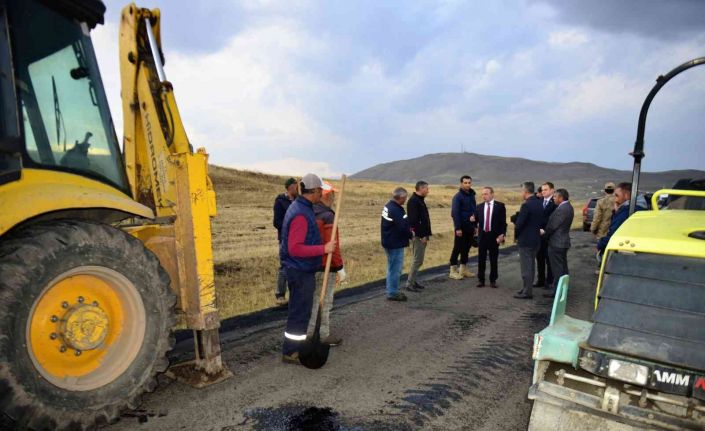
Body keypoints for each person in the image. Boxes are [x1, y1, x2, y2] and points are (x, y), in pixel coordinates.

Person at [279, 174, 336, 364]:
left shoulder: (302, 207)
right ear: (316, 191)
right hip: (300, 270)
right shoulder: (301, 214)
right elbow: (295, 248)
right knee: (299, 312)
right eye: (321, 190)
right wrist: (324, 249)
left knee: (300, 311)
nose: (322, 193)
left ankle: (295, 347)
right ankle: (291, 351)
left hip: (301, 269)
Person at [307, 181, 345, 346]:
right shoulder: (329, 216)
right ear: (327, 196)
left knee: (311, 300)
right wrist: (340, 268)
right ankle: (322, 335)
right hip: (325, 265)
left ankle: (309, 332)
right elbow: (333, 245)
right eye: (333, 195)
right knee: (324, 301)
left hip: (308, 263)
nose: (335, 198)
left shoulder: (307, 212)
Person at [541, 188, 574, 299]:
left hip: (557, 243)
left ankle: (557, 292)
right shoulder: (568, 206)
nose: (553, 198)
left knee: (558, 269)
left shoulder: (562, 209)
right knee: (563, 268)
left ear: (560, 197)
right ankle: (563, 289)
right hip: (562, 242)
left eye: (555, 197)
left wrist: (544, 234)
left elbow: (553, 226)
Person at [381, 187, 413, 301]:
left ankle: (391, 290)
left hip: (389, 241)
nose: (406, 200)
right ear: (401, 197)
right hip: (395, 243)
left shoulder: (389, 206)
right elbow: (403, 227)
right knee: (395, 268)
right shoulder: (396, 210)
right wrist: (411, 235)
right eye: (405, 198)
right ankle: (392, 292)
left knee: (391, 267)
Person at [513, 182, 543, 299]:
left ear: (525, 191)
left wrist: (516, 234)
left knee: (526, 267)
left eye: (521, 191)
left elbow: (519, 224)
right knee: (531, 266)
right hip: (536, 239)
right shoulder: (539, 203)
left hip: (526, 240)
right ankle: (526, 288)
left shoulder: (526, 205)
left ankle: (527, 292)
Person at [474, 187, 507, 288]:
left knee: (493, 259)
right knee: (481, 259)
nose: (484, 196)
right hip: (483, 236)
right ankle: (481, 280)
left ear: (492, 194)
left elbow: (503, 223)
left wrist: (502, 234)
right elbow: (475, 220)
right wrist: (472, 221)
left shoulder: (500, 206)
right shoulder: (479, 207)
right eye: (483, 194)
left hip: (494, 236)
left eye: (486, 194)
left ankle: (493, 280)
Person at [272, 178, 298, 306]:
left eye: (297, 186)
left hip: (298, 239)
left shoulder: (299, 200)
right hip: (285, 239)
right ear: (288, 188)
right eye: (294, 187)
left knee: (297, 265)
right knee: (284, 266)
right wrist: (289, 228)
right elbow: (276, 222)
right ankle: (280, 295)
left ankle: (295, 294)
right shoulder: (280, 201)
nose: (296, 189)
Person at [597, 182, 642, 254]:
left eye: (617, 196)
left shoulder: (626, 211)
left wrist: (600, 244)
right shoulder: (642, 207)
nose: (615, 200)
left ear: (627, 195)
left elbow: (613, 234)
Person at [406, 181, 432, 292]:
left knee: (418, 259)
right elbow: (414, 221)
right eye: (426, 188)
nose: (428, 190)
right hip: (418, 236)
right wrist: (422, 236)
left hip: (422, 235)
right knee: (417, 260)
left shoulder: (419, 200)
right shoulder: (414, 201)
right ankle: (409, 284)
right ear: (420, 188)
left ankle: (413, 281)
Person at [449, 175, 476, 280]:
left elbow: (474, 211)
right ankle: (452, 270)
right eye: (465, 183)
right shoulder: (457, 197)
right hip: (461, 228)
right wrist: (458, 228)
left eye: (469, 182)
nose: (468, 184)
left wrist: (475, 226)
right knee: (457, 248)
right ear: (461, 183)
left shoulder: (472, 195)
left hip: (470, 227)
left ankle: (463, 269)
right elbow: (455, 213)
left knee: (466, 248)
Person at [535, 182, 557, 288]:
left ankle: (549, 281)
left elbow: (555, 221)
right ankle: (540, 280)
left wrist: (546, 231)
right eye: (542, 190)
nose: (543, 191)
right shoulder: (539, 202)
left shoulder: (555, 203)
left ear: (552, 190)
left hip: (550, 236)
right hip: (538, 236)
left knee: (549, 259)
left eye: (546, 189)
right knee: (539, 258)